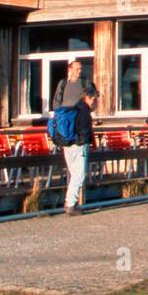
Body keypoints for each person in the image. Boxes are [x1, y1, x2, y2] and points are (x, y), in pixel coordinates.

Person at [62, 84, 99, 215]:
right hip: (79, 145)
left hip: (67, 144)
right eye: (94, 99)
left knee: (74, 175)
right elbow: (84, 130)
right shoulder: (84, 111)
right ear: (89, 98)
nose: (94, 102)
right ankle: (70, 205)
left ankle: (69, 202)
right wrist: (88, 143)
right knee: (79, 175)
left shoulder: (74, 108)